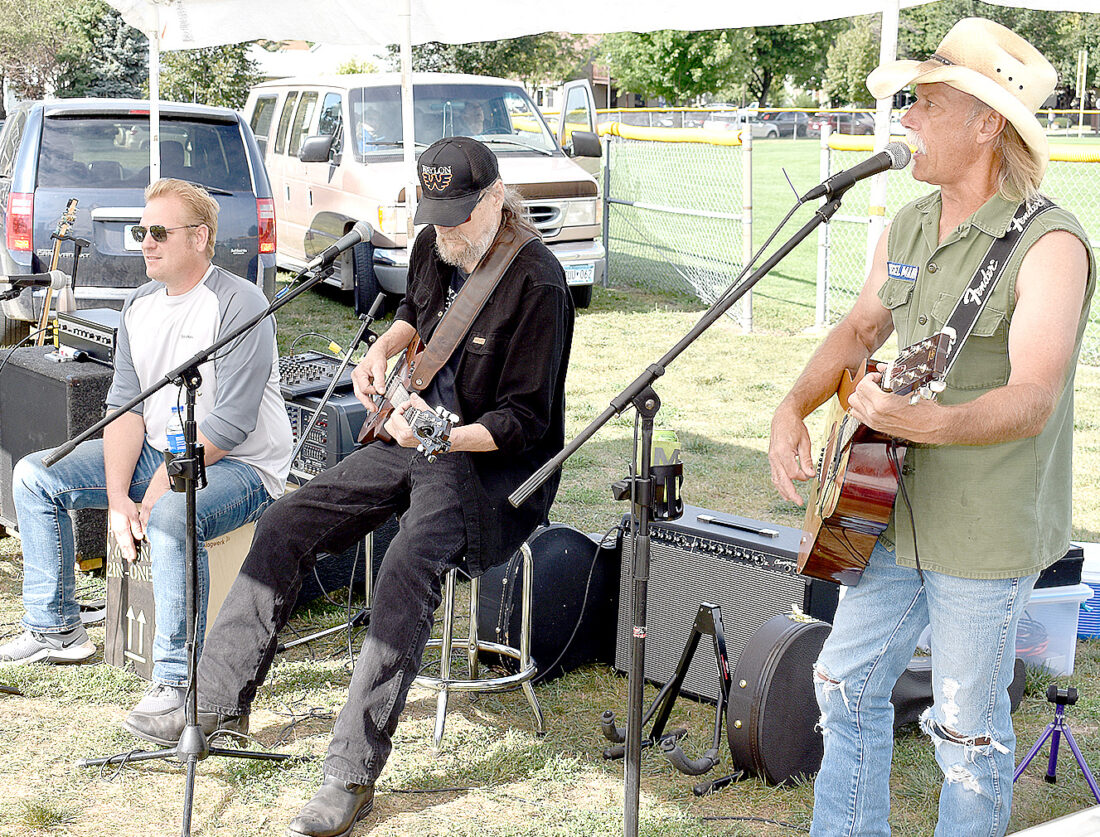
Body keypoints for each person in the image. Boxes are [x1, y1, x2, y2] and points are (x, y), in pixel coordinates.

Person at [125, 137, 574, 837]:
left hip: (484, 465)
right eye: (435, 214)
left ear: (494, 199)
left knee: (404, 566)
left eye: (458, 214)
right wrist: (383, 350)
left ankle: (350, 774)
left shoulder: (538, 282)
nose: (446, 230)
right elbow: (419, 312)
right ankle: (212, 705)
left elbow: (526, 422)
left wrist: (439, 434)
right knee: (287, 521)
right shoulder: (435, 242)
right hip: (405, 435)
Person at [767, 19, 1094, 837]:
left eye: (925, 103)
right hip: (886, 508)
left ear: (987, 124)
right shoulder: (908, 223)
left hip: (985, 525)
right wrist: (791, 407)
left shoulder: (1051, 244)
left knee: (966, 730)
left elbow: (1034, 397)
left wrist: (923, 421)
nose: (905, 118)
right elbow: (859, 330)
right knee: (842, 683)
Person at [0, 179, 293, 731]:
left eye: (159, 232)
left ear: (200, 238)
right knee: (35, 476)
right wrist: (117, 500)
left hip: (241, 465)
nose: (146, 243)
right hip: (162, 452)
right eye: (141, 232)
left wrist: (157, 491)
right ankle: (55, 627)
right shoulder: (138, 305)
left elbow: (230, 425)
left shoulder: (240, 303)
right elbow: (124, 408)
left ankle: (178, 684)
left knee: (169, 516)